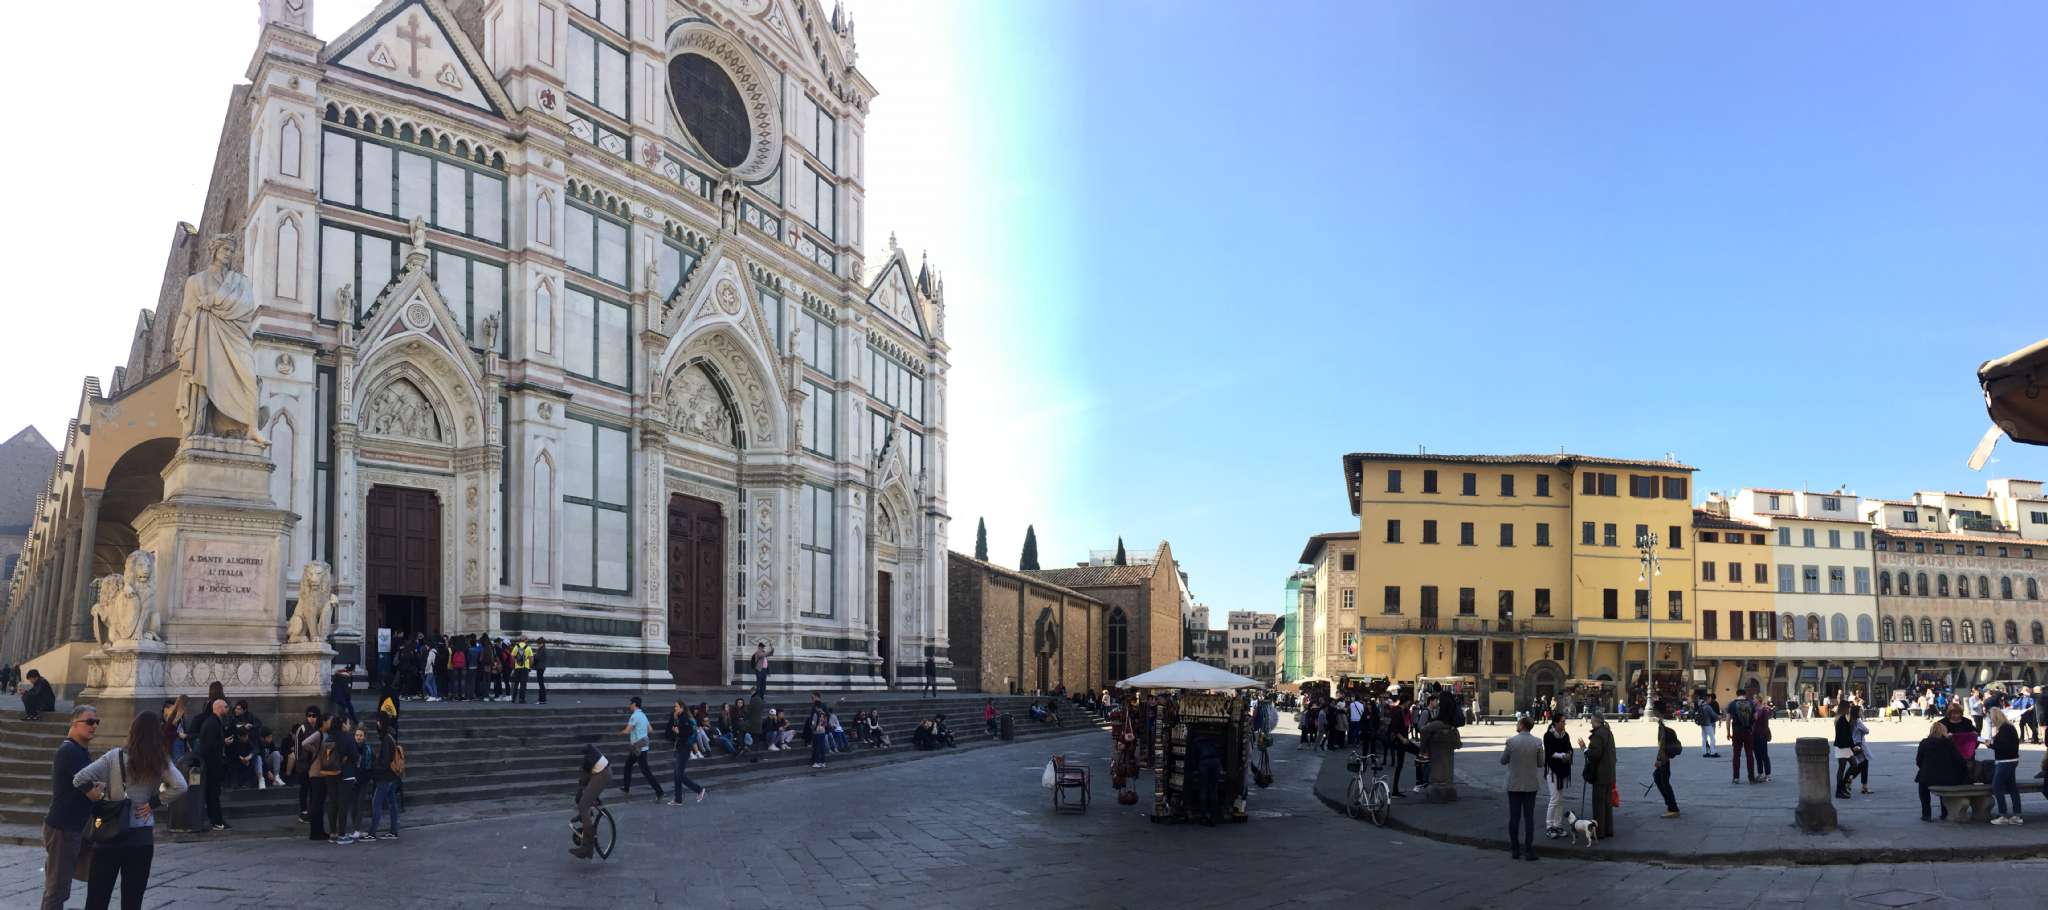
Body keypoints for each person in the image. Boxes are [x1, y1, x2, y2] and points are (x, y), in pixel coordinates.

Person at [72, 710, 187, 910]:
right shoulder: (159, 760)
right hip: (140, 835)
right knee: (132, 900)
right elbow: (181, 785)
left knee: (97, 898)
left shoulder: (113, 756)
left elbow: (79, 778)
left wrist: (97, 794)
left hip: (109, 831)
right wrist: (153, 803)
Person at [40, 705, 98, 910]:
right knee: (57, 889)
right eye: (89, 722)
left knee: (59, 887)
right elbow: (93, 792)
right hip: (63, 828)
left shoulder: (80, 751)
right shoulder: (70, 752)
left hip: (72, 827)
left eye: (96, 722)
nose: (94, 726)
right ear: (74, 723)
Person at [1500, 717, 1543, 860]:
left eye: (1518, 723)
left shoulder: (1511, 741)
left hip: (1514, 784)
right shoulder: (1537, 742)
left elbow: (1503, 760)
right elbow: (1540, 763)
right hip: (1530, 785)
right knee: (1529, 818)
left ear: (1522, 725)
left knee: (1514, 817)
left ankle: (1515, 849)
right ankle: (1529, 850)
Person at [325, 717, 365, 844]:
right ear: (343, 724)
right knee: (343, 804)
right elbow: (355, 756)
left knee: (333, 803)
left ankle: (333, 833)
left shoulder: (329, 737)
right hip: (345, 774)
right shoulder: (347, 737)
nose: (349, 725)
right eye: (348, 723)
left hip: (330, 773)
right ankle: (342, 834)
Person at [1915, 721, 1966, 821]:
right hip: (1947, 777)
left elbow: (1918, 761)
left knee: (1923, 786)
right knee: (1943, 783)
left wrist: (1925, 767)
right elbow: (1959, 760)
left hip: (1928, 776)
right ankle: (1944, 812)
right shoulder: (1949, 743)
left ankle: (1926, 814)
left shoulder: (1924, 743)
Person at [195, 698, 231, 831]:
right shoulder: (213, 723)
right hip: (211, 765)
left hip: (212, 764)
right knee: (213, 794)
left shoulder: (213, 722)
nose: (227, 709)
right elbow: (209, 746)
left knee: (213, 793)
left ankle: (216, 820)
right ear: (219, 708)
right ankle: (216, 821)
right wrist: (223, 742)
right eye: (226, 706)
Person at [618, 697, 663, 800]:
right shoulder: (643, 715)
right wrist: (641, 732)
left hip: (639, 748)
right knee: (628, 764)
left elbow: (627, 731)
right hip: (642, 746)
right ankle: (626, 787)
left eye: (630, 703)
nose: (629, 705)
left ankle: (659, 791)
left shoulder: (634, 716)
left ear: (634, 704)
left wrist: (619, 733)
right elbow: (651, 730)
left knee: (645, 771)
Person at [571, 745, 610, 860]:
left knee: (583, 805)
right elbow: (582, 784)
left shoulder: (587, 764)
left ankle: (590, 840)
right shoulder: (590, 757)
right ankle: (587, 849)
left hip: (602, 775)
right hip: (599, 772)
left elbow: (583, 781)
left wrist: (582, 807)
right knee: (583, 803)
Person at [1583, 712, 1617, 839]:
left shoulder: (1598, 735)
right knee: (1607, 803)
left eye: (1591, 721)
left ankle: (1599, 831)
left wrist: (1585, 749)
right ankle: (1608, 829)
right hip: (1609, 773)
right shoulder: (1608, 732)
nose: (1591, 723)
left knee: (1599, 804)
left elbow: (1594, 755)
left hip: (1600, 774)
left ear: (1596, 721)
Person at [1989, 708, 2024, 825]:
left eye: (1991, 718)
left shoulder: (2005, 729)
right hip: (2011, 760)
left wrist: (1991, 744)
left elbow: (2004, 747)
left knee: (1997, 786)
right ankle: (2017, 815)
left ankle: (2003, 814)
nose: (1991, 721)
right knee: (2012, 787)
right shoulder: (2008, 728)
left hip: (2006, 761)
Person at [668, 701, 707, 804]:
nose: (674, 708)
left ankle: (698, 790)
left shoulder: (685, 718)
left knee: (679, 775)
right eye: (674, 706)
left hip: (685, 748)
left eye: (676, 706)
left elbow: (687, 733)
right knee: (677, 774)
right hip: (681, 747)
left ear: (681, 707)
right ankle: (678, 799)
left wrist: (678, 732)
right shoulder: (680, 717)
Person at [1542, 713, 1573, 838]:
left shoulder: (1565, 735)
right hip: (1553, 771)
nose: (1564, 724)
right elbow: (1550, 753)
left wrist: (1569, 754)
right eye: (1562, 722)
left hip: (1563, 769)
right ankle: (1549, 826)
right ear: (1555, 723)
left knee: (1560, 799)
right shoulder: (1548, 735)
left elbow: (1569, 748)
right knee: (1554, 799)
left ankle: (1558, 825)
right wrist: (1563, 756)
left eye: (1564, 722)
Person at [288, 705, 321, 821]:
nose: (311, 718)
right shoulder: (302, 728)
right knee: (304, 788)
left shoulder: (319, 729)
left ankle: (312, 811)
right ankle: (303, 811)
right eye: (309, 716)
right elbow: (297, 748)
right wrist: (300, 761)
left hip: (315, 764)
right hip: (303, 764)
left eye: (314, 716)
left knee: (314, 789)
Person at [1653, 704, 1681, 818]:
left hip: (1664, 760)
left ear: (1658, 712)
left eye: (1654, 711)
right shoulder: (1661, 724)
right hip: (1664, 759)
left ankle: (1673, 808)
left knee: (1664, 783)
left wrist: (1660, 760)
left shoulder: (1662, 727)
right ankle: (1670, 805)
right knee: (1658, 778)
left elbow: (1662, 746)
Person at [1726, 687, 1758, 784]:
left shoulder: (1732, 704)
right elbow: (1756, 717)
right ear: (1745, 695)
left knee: (1736, 755)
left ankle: (1736, 778)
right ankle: (1751, 778)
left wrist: (1728, 733)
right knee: (1749, 755)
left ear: (1737, 694)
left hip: (1736, 731)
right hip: (1748, 731)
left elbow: (1727, 720)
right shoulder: (1751, 703)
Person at [1833, 704, 1859, 800]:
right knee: (1843, 768)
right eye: (1848, 708)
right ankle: (1839, 790)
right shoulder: (1841, 719)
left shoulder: (1841, 718)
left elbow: (1847, 735)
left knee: (1853, 765)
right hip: (1842, 747)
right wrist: (1853, 747)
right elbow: (1846, 735)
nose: (1849, 709)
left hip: (1845, 747)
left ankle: (1842, 787)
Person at [1752, 697, 1776, 782]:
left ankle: (1768, 775)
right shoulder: (1756, 708)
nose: (1753, 700)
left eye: (1754, 699)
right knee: (1757, 756)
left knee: (1764, 755)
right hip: (1754, 735)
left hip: (1762, 735)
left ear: (1758, 700)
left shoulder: (1764, 709)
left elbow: (1756, 717)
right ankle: (1760, 773)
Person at [512, 637, 534, 703]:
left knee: (516, 683)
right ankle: (521, 699)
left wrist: (515, 664)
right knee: (523, 684)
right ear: (525, 640)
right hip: (525, 667)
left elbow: (512, 657)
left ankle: (513, 698)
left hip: (517, 667)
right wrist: (530, 667)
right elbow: (531, 659)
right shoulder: (528, 648)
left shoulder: (516, 647)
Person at [532, 637, 550, 704]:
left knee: (541, 684)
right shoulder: (542, 649)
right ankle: (542, 699)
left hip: (540, 668)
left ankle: (542, 700)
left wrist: (533, 655)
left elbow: (537, 657)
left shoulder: (542, 649)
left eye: (538, 644)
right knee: (541, 683)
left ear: (541, 643)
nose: (537, 645)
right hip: (540, 667)